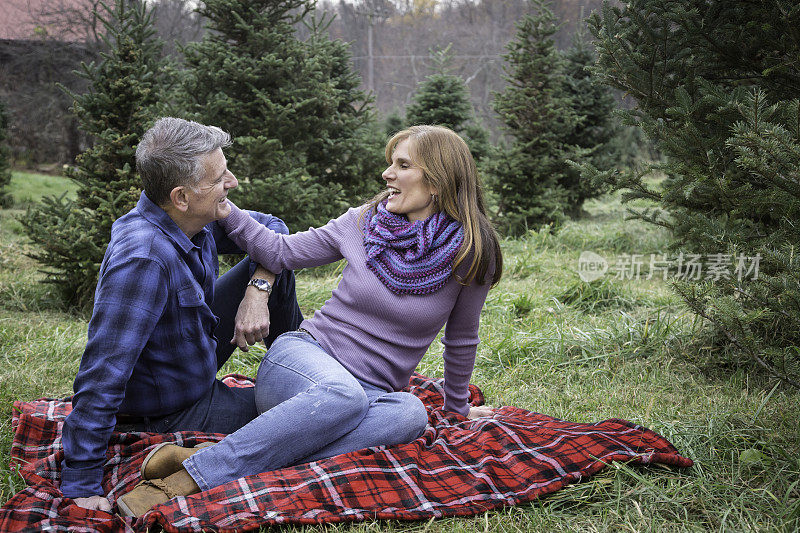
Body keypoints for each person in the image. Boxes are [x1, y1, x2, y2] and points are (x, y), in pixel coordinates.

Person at [118, 125, 503, 517]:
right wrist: (226, 210)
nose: (387, 174)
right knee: (344, 394)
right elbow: (280, 251)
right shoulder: (362, 222)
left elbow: (461, 338)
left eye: (402, 165)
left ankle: (217, 456)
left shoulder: (473, 252)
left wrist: (457, 408)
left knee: (411, 413)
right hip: (302, 360)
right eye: (390, 163)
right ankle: (189, 478)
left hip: (370, 393)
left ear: (437, 180)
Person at [60, 117, 303, 512]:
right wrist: (81, 483)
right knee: (307, 419)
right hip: (171, 409)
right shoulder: (142, 261)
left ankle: (303, 369)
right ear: (181, 197)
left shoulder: (195, 219)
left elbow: (274, 230)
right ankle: (308, 395)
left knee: (275, 261)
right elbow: (102, 374)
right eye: (220, 177)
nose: (233, 182)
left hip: (196, 348)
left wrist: (257, 292)